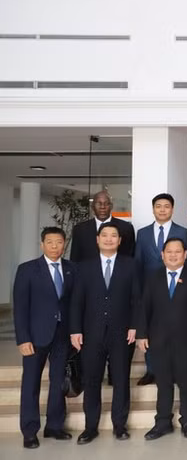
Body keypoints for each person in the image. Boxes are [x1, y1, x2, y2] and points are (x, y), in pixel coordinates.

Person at [70, 222, 139, 443]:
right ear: (97, 240)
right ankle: (91, 427)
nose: (109, 239)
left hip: (122, 332)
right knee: (92, 380)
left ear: (120, 241)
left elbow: (137, 299)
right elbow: (76, 302)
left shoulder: (132, 265)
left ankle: (120, 425)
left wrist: (135, 325)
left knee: (121, 379)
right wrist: (75, 330)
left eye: (114, 236)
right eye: (105, 235)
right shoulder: (84, 267)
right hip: (91, 333)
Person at [136, 237, 187, 440]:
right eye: (169, 251)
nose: (173, 255)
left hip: (186, 339)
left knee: (186, 382)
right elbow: (144, 308)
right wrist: (141, 334)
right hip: (158, 339)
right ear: (162, 255)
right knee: (163, 383)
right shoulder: (153, 277)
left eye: (178, 251)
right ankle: (162, 422)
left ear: (185, 254)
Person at [13, 227, 74, 449]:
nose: (55, 246)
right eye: (50, 242)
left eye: (59, 242)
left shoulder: (71, 269)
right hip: (35, 336)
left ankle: (55, 426)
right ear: (42, 245)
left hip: (62, 335)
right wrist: (23, 338)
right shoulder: (27, 270)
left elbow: (73, 304)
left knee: (58, 381)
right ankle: (29, 430)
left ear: (64, 243)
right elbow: (20, 308)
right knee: (31, 383)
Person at [134, 192, 187, 385]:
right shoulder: (142, 233)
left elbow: (186, 263)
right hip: (150, 290)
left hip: (176, 288)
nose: (162, 209)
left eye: (166, 206)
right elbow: (138, 263)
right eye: (158, 206)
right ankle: (151, 370)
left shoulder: (183, 232)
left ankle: (174, 369)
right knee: (151, 329)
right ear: (153, 209)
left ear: (172, 209)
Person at [70, 190, 135, 262]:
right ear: (92, 206)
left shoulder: (126, 228)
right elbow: (75, 259)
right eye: (99, 203)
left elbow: (130, 257)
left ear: (111, 206)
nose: (102, 207)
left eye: (106, 203)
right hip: (88, 272)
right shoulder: (80, 229)